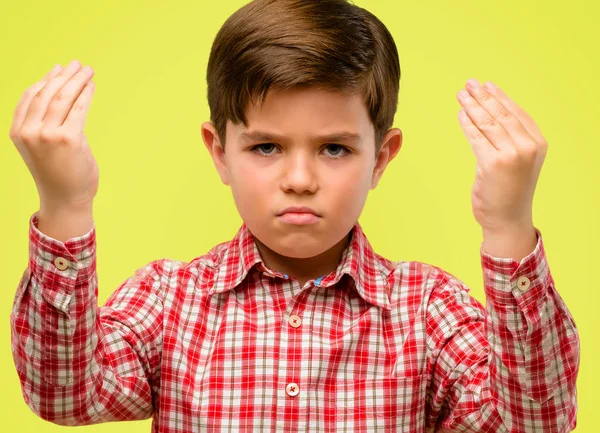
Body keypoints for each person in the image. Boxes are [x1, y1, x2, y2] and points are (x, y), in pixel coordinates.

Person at [8, 0, 579, 431]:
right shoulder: (169, 300)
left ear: (382, 158)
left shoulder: (428, 310)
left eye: (334, 148)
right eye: (266, 147)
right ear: (219, 152)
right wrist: (65, 205)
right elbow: (64, 393)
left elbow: (536, 420)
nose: (301, 180)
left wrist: (508, 227)